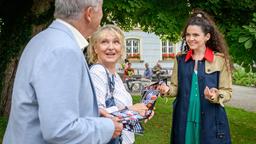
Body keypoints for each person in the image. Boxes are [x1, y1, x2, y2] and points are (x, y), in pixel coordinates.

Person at [3, 1, 123, 144]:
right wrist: (107, 127)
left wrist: (93, 113)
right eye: (101, 9)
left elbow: (48, 104)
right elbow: (60, 130)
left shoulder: (43, 39)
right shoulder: (63, 50)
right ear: (89, 13)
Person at [159, 10, 232, 144]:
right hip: (184, 117)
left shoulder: (219, 60)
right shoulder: (180, 59)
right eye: (188, 35)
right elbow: (175, 88)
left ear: (207, 37)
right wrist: (166, 90)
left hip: (210, 119)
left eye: (195, 35)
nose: (190, 38)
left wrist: (215, 95)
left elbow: (227, 92)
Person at [87, 24, 150, 144]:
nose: (111, 47)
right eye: (104, 42)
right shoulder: (98, 72)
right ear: (95, 48)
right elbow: (96, 114)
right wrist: (132, 109)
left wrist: (142, 111)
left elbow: (121, 114)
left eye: (116, 42)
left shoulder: (115, 75)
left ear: (121, 49)